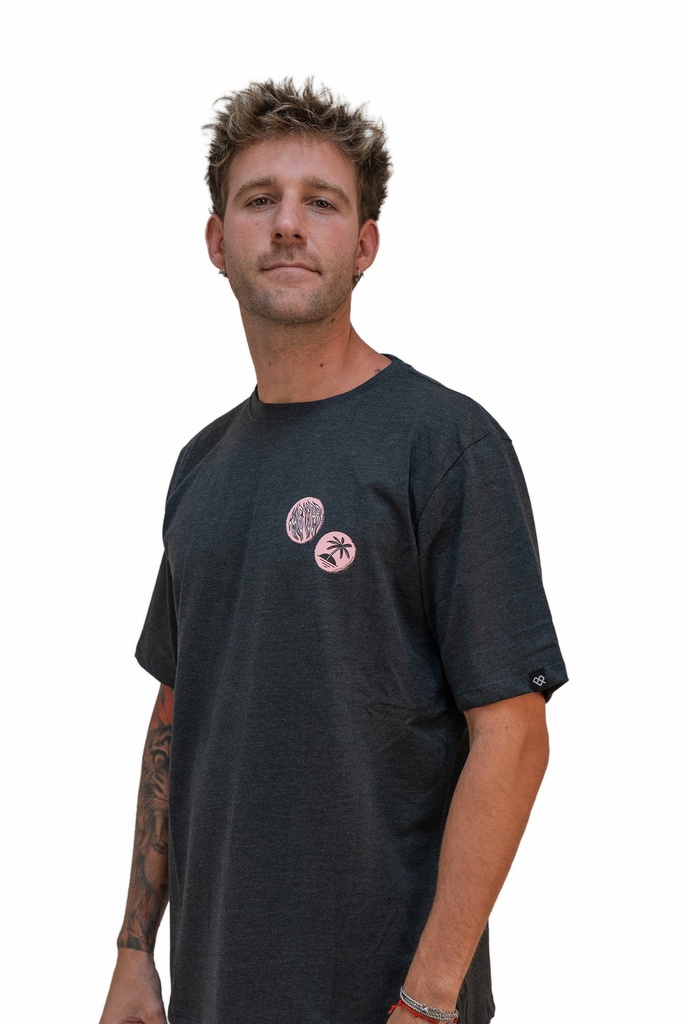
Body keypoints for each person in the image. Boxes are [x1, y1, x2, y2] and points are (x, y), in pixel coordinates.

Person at [99, 78, 567, 1024]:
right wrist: (135, 951)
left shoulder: (445, 445)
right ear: (216, 240)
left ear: (364, 246)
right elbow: (177, 715)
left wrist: (429, 999)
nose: (287, 224)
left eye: (321, 202)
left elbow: (513, 736)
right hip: (217, 989)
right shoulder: (201, 467)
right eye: (259, 199)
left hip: (390, 999)